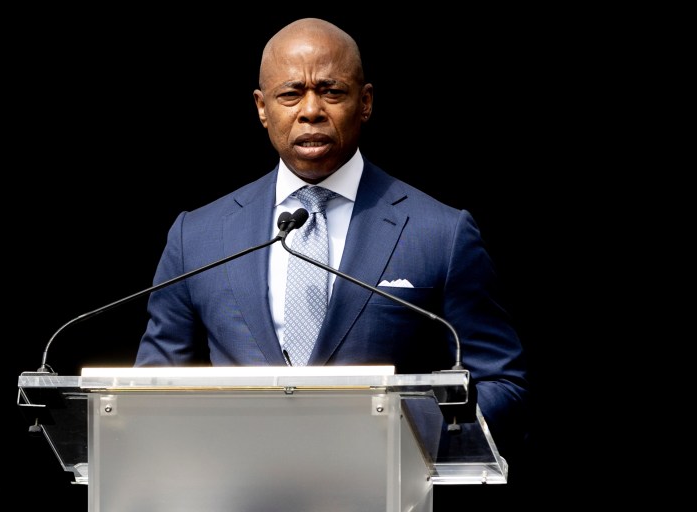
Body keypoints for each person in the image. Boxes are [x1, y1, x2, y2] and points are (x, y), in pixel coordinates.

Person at [134, 17, 529, 461]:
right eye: (290, 93)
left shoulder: (439, 232)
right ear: (262, 108)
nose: (310, 110)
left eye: (331, 91)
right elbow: (150, 388)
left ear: (366, 102)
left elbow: (501, 382)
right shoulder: (198, 236)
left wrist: (414, 440)